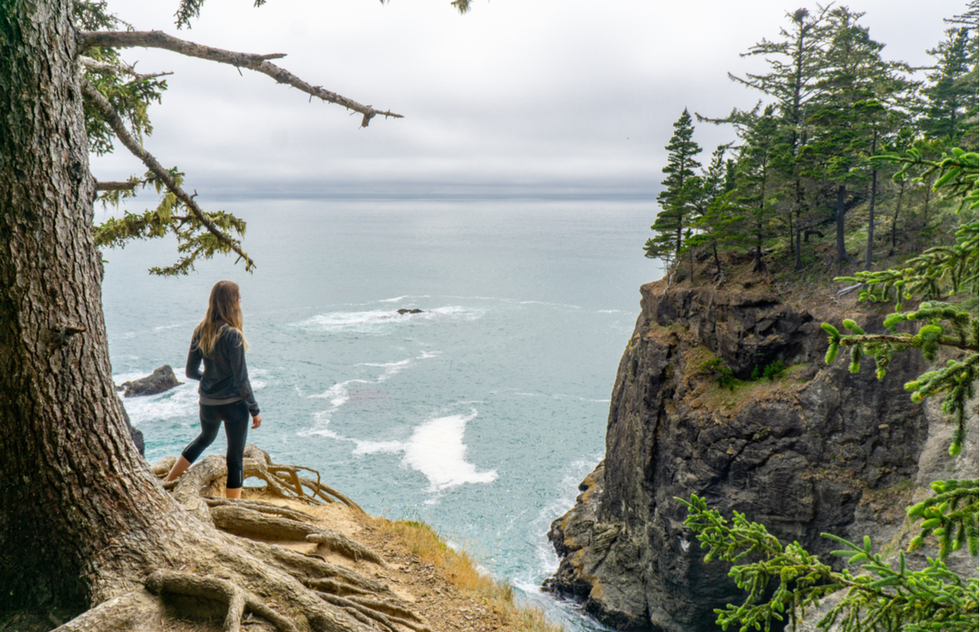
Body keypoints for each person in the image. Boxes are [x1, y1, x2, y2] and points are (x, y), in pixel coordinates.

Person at [164, 280, 262, 498]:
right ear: (232, 303)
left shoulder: (201, 330)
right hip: (234, 405)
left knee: (204, 439)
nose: (240, 301)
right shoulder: (233, 335)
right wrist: (254, 410)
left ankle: (167, 481)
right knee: (235, 457)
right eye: (238, 297)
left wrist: (208, 379)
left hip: (207, 403)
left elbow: (190, 371)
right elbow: (241, 378)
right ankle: (233, 509)